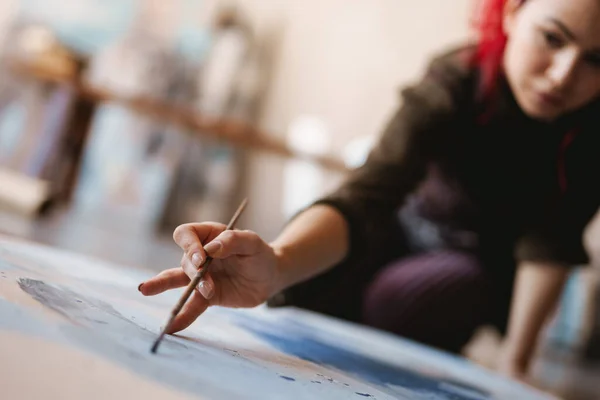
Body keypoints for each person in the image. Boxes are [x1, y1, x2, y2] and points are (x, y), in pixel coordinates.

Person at [138, 0, 600, 381]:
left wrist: (516, 366)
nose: (563, 75)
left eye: (596, 60)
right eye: (553, 38)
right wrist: (277, 264)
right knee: (315, 282)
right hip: (387, 238)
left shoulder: (591, 127)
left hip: (463, 276)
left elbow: (551, 242)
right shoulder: (456, 79)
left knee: (433, 291)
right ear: (512, 12)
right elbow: (371, 192)